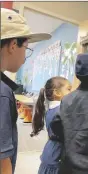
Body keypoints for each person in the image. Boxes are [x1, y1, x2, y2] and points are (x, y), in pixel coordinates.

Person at [0, 8, 51, 174]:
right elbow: (2, 162)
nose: (24, 56)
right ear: (13, 45)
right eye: (27, 48)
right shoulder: (2, 92)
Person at [30, 77, 71, 174]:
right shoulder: (61, 111)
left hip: (50, 152)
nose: (72, 92)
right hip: (57, 156)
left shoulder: (52, 109)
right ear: (57, 93)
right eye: (69, 89)